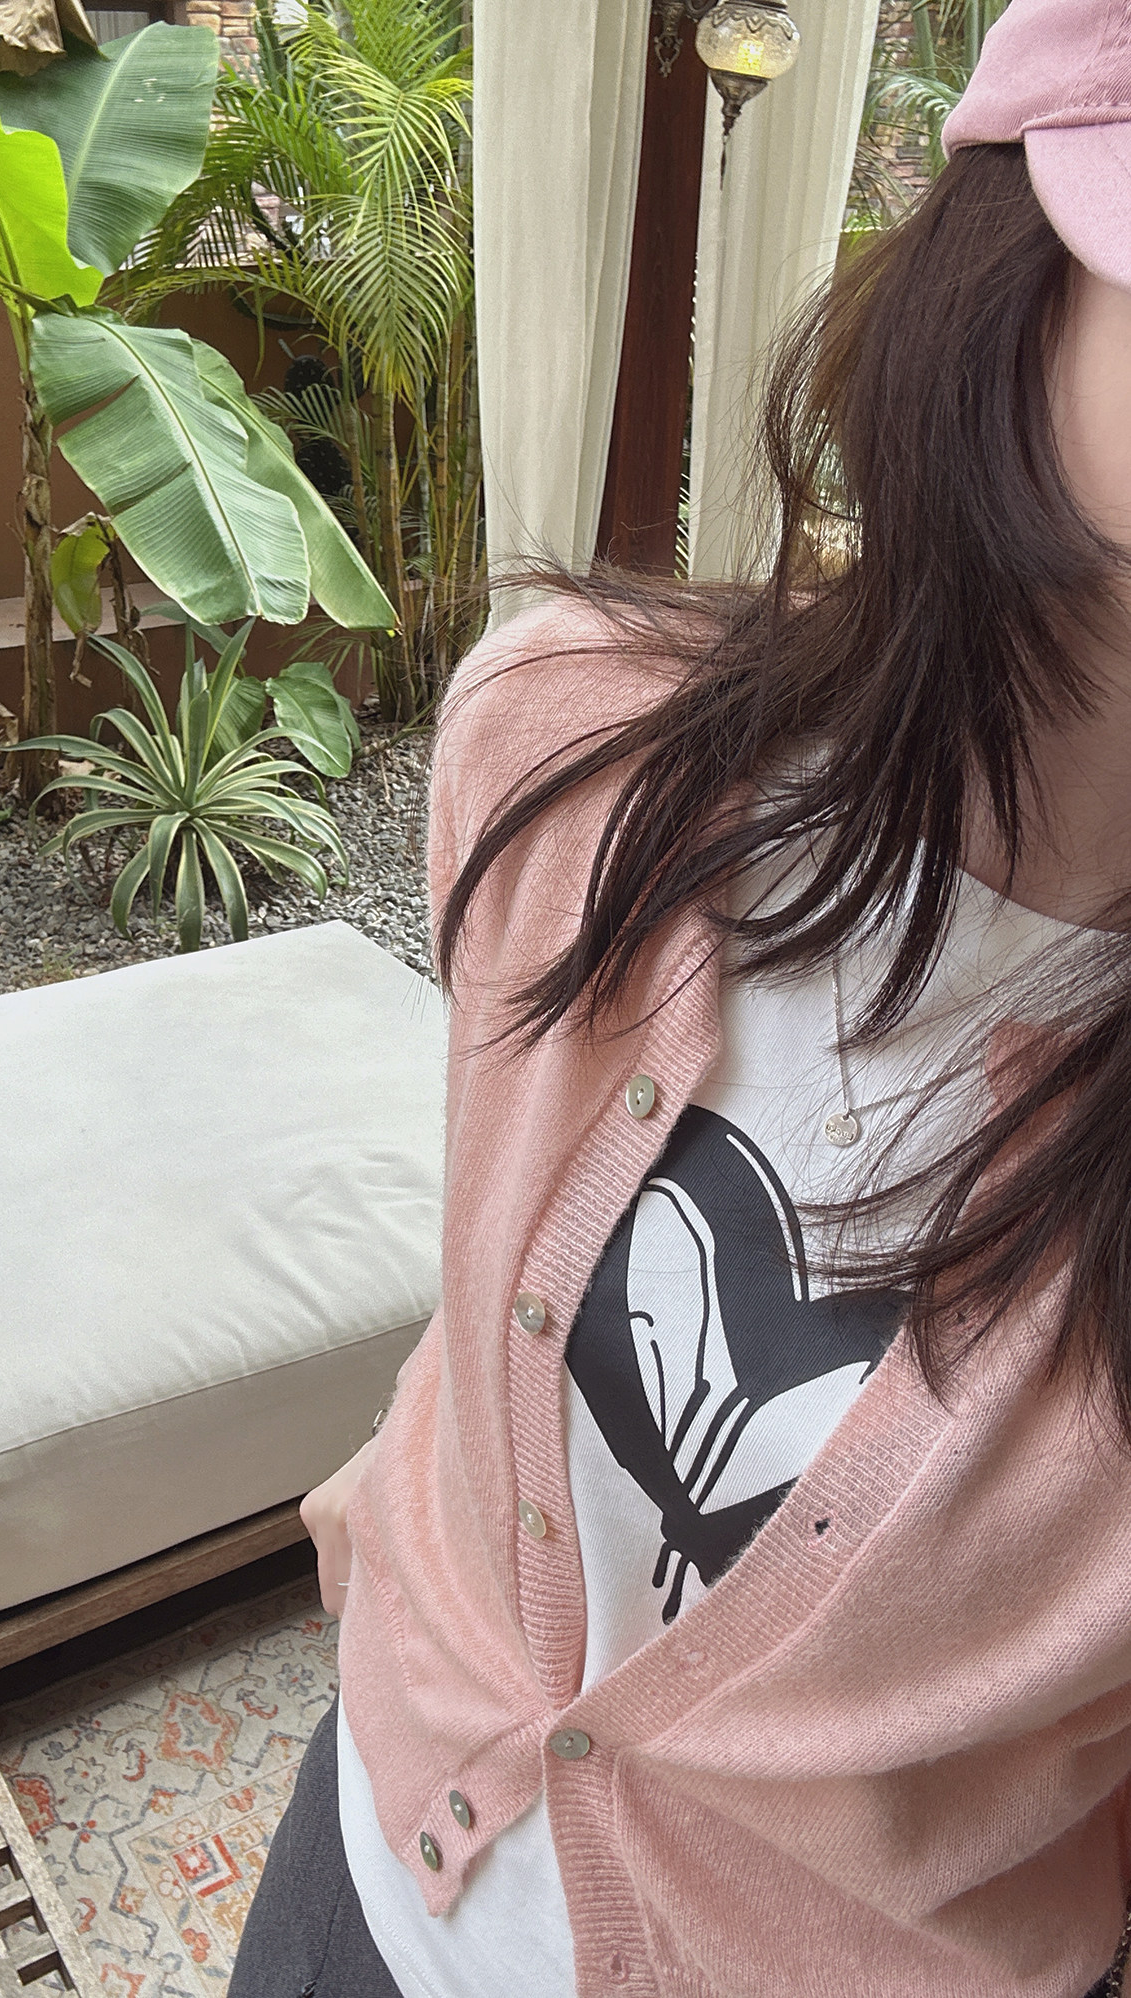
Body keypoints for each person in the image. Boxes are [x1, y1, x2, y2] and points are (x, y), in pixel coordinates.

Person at [229, 0, 1131, 1990]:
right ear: (1016, 258)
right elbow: (503, 1281)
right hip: (373, 1872)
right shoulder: (565, 750)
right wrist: (417, 1500)